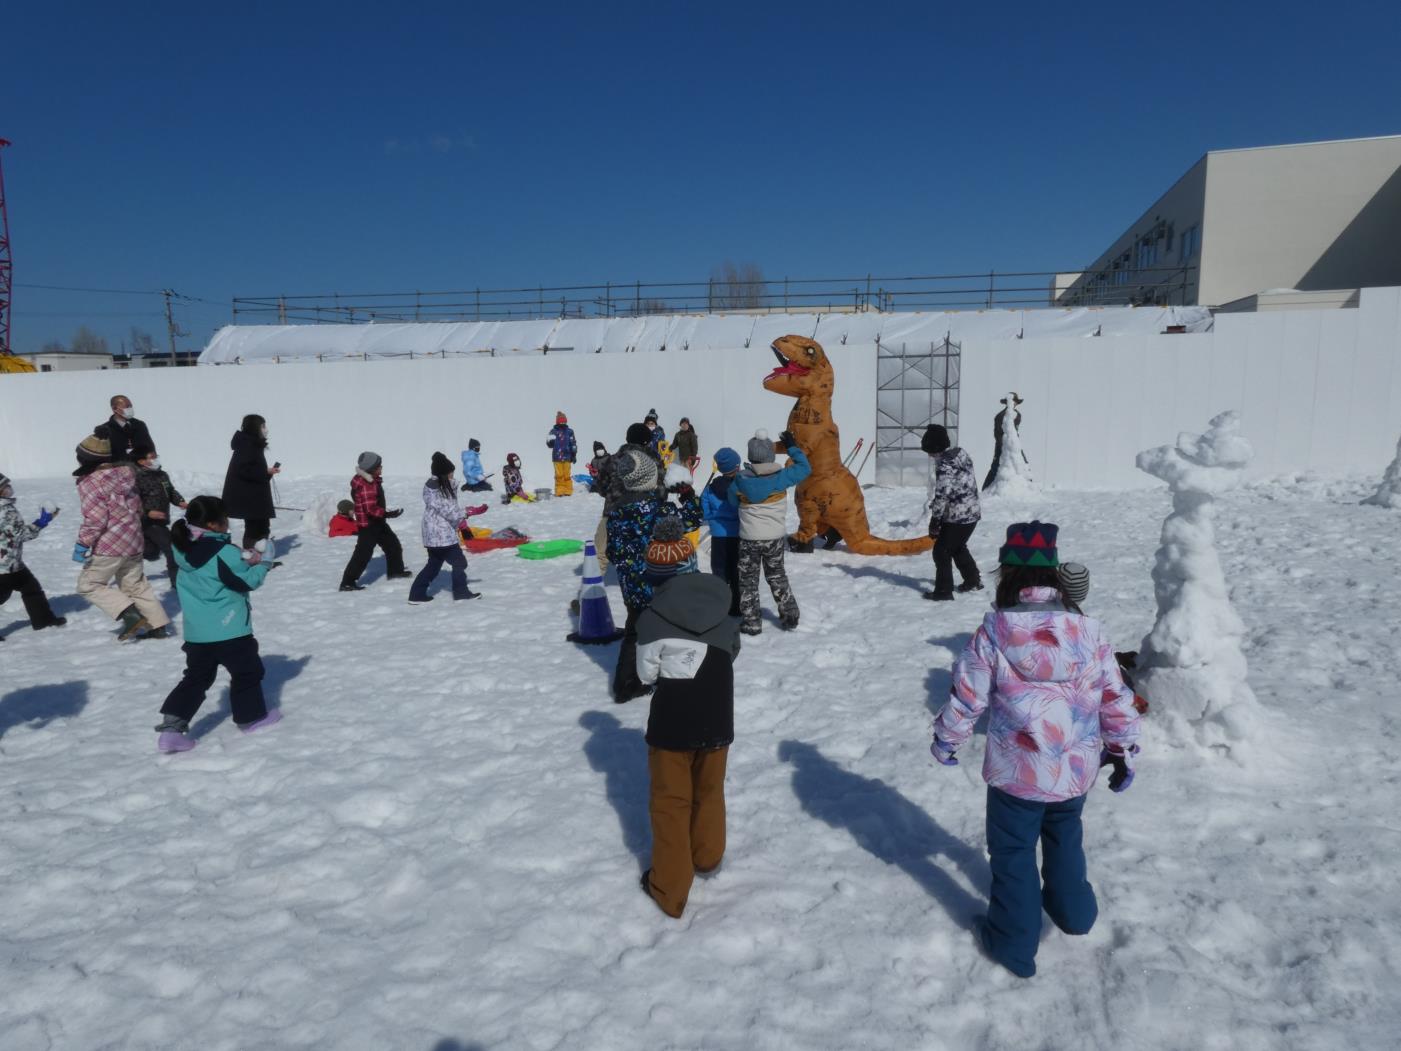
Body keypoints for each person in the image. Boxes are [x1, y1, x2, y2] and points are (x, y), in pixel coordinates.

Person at [931, 521, 1141, 979]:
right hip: (1072, 771)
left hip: (1016, 774)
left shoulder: (992, 633)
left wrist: (947, 740)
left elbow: (967, 696)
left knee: (1013, 855)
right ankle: (1076, 915)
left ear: (1006, 573)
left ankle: (1014, 943)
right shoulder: (1089, 632)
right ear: (1053, 577)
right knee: (1066, 837)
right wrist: (1123, 749)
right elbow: (1116, 696)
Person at [636, 519, 741, 918]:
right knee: (710, 788)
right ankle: (708, 855)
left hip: (673, 722)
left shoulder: (650, 618)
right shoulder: (722, 605)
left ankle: (670, 888)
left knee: (670, 800)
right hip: (718, 713)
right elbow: (731, 652)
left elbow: (647, 674)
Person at [152, 496, 282, 753]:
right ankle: (251, 719)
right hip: (231, 630)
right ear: (213, 524)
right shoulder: (224, 552)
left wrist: (244, 559)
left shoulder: (182, 547)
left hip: (198, 634)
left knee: (195, 679)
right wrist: (264, 563)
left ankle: (171, 731)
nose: (228, 524)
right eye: (224, 520)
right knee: (247, 674)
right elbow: (245, 582)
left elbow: (214, 571)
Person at [605, 445, 702, 703]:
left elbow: (612, 553)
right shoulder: (660, 510)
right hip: (658, 585)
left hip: (631, 588)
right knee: (666, 633)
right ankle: (668, 678)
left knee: (634, 631)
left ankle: (626, 684)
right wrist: (687, 495)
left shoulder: (615, 514)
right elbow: (693, 520)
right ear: (648, 478)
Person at [73, 434, 172, 641]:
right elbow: (136, 507)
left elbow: (96, 519)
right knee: (135, 585)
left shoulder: (91, 483)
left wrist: (82, 544)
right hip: (134, 540)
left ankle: (130, 614)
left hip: (109, 546)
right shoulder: (126, 475)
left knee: (89, 584)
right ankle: (158, 626)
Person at [729, 429, 810, 635]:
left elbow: (731, 501)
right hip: (774, 538)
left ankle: (751, 622)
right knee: (777, 575)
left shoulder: (739, 480)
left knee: (747, 580)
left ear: (750, 455)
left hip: (749, 539)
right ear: (771, 455)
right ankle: (790, 614)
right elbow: (804, 467)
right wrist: (792, 447)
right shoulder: (782, 477)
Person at [409, 451, 487, 603]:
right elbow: (449, 512)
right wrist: (469, 511)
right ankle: (461, 592)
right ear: (443, 474)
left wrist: (463, 516)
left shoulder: (440, 485)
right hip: (441, 536)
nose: (453, 475)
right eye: (451, 472)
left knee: (433, 566)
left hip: (435, 537)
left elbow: (451, 510)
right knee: (459, 562)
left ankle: (416, 594)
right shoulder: (436, 490)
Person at [0, 472, 66, 636]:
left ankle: (44, 620)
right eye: (5, 487)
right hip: (5, 567)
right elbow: (21, 534)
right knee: (16, 592)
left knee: (31, 588)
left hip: (12, 562)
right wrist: (42, 521)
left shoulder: (6, 507)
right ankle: (44, 620)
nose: (9, 489)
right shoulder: (5, 511)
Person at [922, 423, 982, 601]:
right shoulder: (960, 454)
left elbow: (942, 495)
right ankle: (972, 581)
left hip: (957, 517)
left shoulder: (945, 465)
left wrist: (935, 520)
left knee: (941, 551)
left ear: (936, 448)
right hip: (971, 513)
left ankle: (943, 591)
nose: (929, 456)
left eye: (929, 451)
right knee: (957, 547)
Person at [339, 451, 411, 592]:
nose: (381, 468)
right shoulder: (367, 484)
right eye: (379, 466)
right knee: (363, 554)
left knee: (393, 545)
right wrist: (388, 514)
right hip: (369, 525)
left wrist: (384, 513)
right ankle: (347, 582)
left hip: (377, 522)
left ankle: (395, 572)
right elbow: (370, 508)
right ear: (371, 468)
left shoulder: (370, 480)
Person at [221, 414, 278, 550]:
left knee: (261, 525)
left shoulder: (251, 443)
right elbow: (243, 470)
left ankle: (259, 555)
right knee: (255, 528)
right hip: (249, 497)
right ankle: (252, 557)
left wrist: (266, 472)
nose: (265, 429)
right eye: (263, 426)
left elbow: (251, 470)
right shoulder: (248, 444)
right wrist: (265, 472)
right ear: (255, 427)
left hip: (253, 495)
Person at [132, 444, 187, 584]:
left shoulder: (162, 475)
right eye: (152, 457)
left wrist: (180, 501)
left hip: (160, 521)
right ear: (141, 461)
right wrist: (148, 513)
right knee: (171, 548)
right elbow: (132, 502)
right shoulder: (135, 478)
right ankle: (177, 582)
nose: (156, 459)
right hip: (146, 522)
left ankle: (135, 559)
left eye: (157, 456)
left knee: (151, 552)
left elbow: (170, 491)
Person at [701, 447, 742, 616]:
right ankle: (736, 606)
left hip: (718, 536)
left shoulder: (711, 488)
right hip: (738, 535)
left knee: (719, 570)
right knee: (736, 570)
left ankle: (719, 603)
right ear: (737, 467)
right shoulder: (741, 486)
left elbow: (703, 510)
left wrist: (714, 516)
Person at [983, 393, 1027, 491]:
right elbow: (997, 434)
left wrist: (1015, 444)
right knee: (996, 466)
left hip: (1014, 445)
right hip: (1002, 445)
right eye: (1012, 401)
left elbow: (1015, 432)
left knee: (1023, 464)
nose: (1014, 404)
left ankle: (1028, 487)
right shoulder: (1000, 416)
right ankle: (985, 489)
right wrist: (1003, 447)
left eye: (1015, 402)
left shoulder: (1017, 415)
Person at [94, 394, 154, 462]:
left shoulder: (140, 425)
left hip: (142, 468)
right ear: (114, 408)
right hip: (117, 469)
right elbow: (101, 456)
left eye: (131, 406)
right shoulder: (104, 430)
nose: (130, 409)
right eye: (127, 407)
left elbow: (150, 448)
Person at [546, 412, 577, 497]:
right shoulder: (553, 431)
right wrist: (550, 441)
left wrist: (574, 454)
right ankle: (559, 491)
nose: (562, 422)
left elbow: (573, 443)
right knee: (559, 475)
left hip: (567, 456)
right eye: (560, 421)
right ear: (557, 421)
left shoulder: (570, 432)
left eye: (564, 421)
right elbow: (549, 443)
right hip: (557, 457)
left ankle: (568, 490)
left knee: (567, 474)